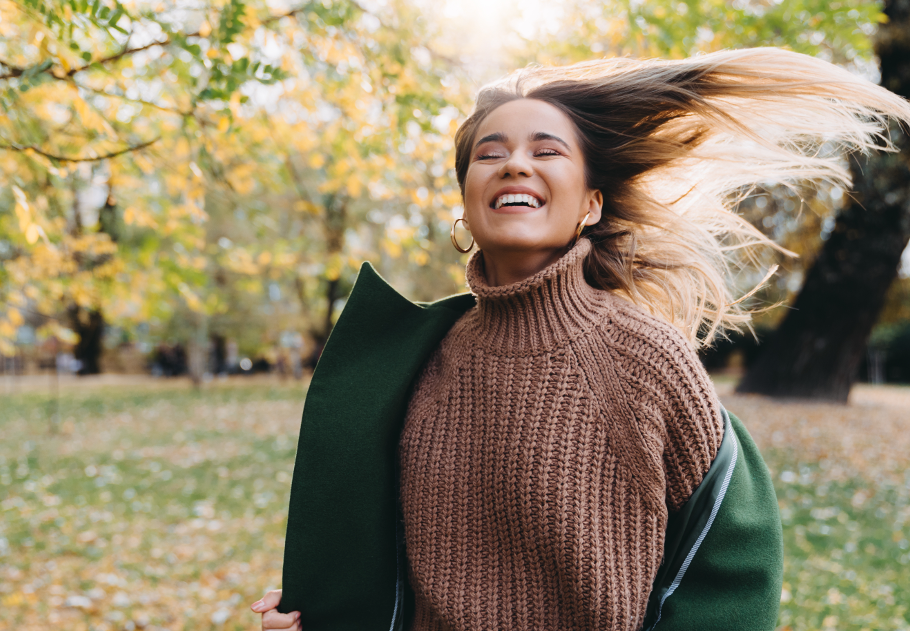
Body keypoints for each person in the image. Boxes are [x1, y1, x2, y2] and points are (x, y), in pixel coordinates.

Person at [251, 48, 910, 631]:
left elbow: (729, 552)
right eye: (489, 153)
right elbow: (372, 570)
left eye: (546, 150)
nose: (514, 164)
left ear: (590, 204)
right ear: (466, 203)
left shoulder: (644, 360)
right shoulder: (406, 360)